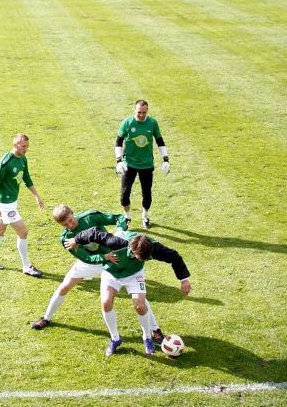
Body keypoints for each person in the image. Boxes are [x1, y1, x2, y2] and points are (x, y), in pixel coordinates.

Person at [30, 204, 162, 339]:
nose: (70, 225)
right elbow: (85, 258)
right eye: (65, 224)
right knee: (64, 286)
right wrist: (104, 257)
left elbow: (119, 218)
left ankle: (155, 330)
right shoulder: (66, 238)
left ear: (72, 212)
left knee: (137, 294)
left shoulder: (90, 217)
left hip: (115, 259)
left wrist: (120, 232)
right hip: (94, 261)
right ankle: (46, 318)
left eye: (71, 220)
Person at [64, 228, 191, 355]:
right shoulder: (117, 242)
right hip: (112, 273)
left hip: (134, 275)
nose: (141, 260)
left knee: (140, 305)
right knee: (106, 303)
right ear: (132, 249)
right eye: (139, 257)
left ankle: (147, 337)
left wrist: (184, 279)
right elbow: (93, 232)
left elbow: (174, 256)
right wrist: (76, 240)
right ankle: (115, 339)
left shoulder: (154, 247)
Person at [0, 133, 44, 277]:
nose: (26, 149)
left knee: (0, 229)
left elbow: (27, 178)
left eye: (27, 146)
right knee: (23, 232)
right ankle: (27, 266)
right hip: (5, 205)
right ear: (15, 145)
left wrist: (37, 196)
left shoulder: (23, 158)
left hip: (12, 202)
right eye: (23, 146)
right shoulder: (6, 162)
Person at [115, 100, 170, 229]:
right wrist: (118, 161)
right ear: (134, 110)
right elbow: (118, 142)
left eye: (143, 112)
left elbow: (160, 141)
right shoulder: (127, 123)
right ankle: (127, 216)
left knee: (147, 193)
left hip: (146, 165)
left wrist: (166, 159)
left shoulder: (152, 123)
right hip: (129, 164)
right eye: (139, 112)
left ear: (147, 111)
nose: (141, 115)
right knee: (124, 193)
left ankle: (145, 216)